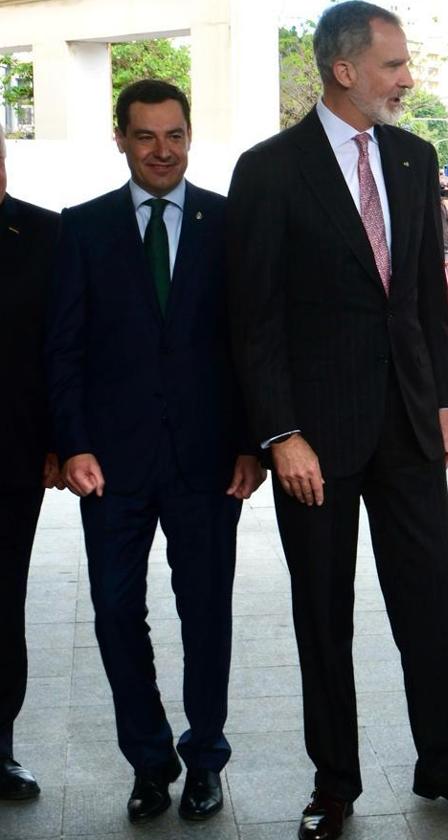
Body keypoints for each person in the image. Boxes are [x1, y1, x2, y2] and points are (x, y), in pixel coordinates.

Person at [224, 4, 448, 838]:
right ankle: (335, 783)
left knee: (431, 601)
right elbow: (254, 318)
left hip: (410, 429)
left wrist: (445, 400)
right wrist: (280, 433)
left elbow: (425, 294)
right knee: (324, 611)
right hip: (315, 440)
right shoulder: (271, 169)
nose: (407, 78)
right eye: (394, 64)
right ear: (344, 70)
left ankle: (447, 767)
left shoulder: (416, 158)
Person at [44, 79, 264, 824]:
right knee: (113, 614)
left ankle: (205, 756)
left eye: (174, 134)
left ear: (190, 136)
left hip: (209, 464)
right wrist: (72, 445)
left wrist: (250, 444)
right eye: (146, 136)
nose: (162, 150)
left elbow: (249, 345)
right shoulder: (84, 227)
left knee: (206, 614)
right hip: (111, 466)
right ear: (122, 140)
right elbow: (63, 349)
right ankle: (148, 761)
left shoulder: (229, 223)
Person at [0, 125, 63, 803]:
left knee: (1, 605)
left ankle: (0, 747)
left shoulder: (46, 235)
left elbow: (61, 349)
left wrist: (60, 440)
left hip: (12, 457)